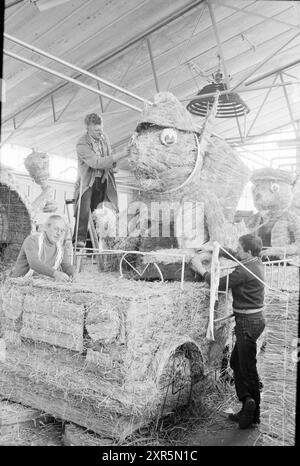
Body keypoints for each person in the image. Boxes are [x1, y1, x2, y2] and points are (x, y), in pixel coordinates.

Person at [191, 234, 266, 429]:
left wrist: (201, 269)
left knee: (247, 368)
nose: (237, 251)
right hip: (254, 321)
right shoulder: (256, 262)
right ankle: (248, 406)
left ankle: (250, 409)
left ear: (248, 251)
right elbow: (235, 256)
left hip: (247, 324)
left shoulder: (245, 271)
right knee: (237, 362)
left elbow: (219, 283)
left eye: (240, 249)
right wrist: (218, 248)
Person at [73, 113, 127, 248]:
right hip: (87, 182)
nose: (100, 132)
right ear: (87, 128)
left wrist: (112, 164)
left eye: (101, 128)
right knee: (84, 210)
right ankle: (79, 241)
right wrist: (120, 155)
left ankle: (93, 246)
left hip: (102, 181)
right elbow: (95, 162)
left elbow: (107, 156)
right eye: (96, 130)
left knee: (98, 213)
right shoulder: (82, 143)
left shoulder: (104, 138)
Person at [11, 215, 74, 282]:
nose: (59, 233)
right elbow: (34, 263)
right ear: (46, 228)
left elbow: (66, 266)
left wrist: (72, 274)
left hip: (40, 285)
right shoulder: (32, 240)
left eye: (62, 230)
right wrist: (55, 273)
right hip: (19, 283)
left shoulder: (61, 248)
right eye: (56, 229)